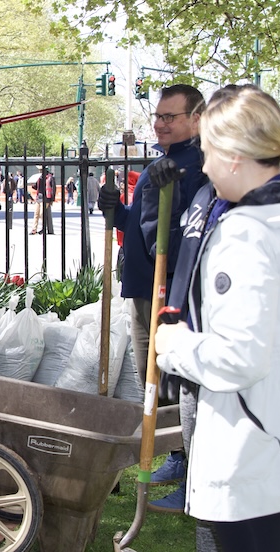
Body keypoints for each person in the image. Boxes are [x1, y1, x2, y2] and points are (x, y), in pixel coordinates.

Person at [155, 84, 280, 552]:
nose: (204, 166)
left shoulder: (247, 233)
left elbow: (239, 357)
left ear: (232, 156)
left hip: (254, 449)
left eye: (208, 153)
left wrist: (175, 347)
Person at [98, 84, 207, 498]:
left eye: (169, 117)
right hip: (146, 287)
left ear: (195, 119)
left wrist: (171, 192)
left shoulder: (195, 166)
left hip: (170, 290)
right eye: (158, 116)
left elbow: (177, 235)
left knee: (174, 380)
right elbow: (147, 226)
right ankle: (178, 455)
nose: (159, 123)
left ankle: (190, 462)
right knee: (155, 379)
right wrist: (116, 212)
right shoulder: (162, 162)